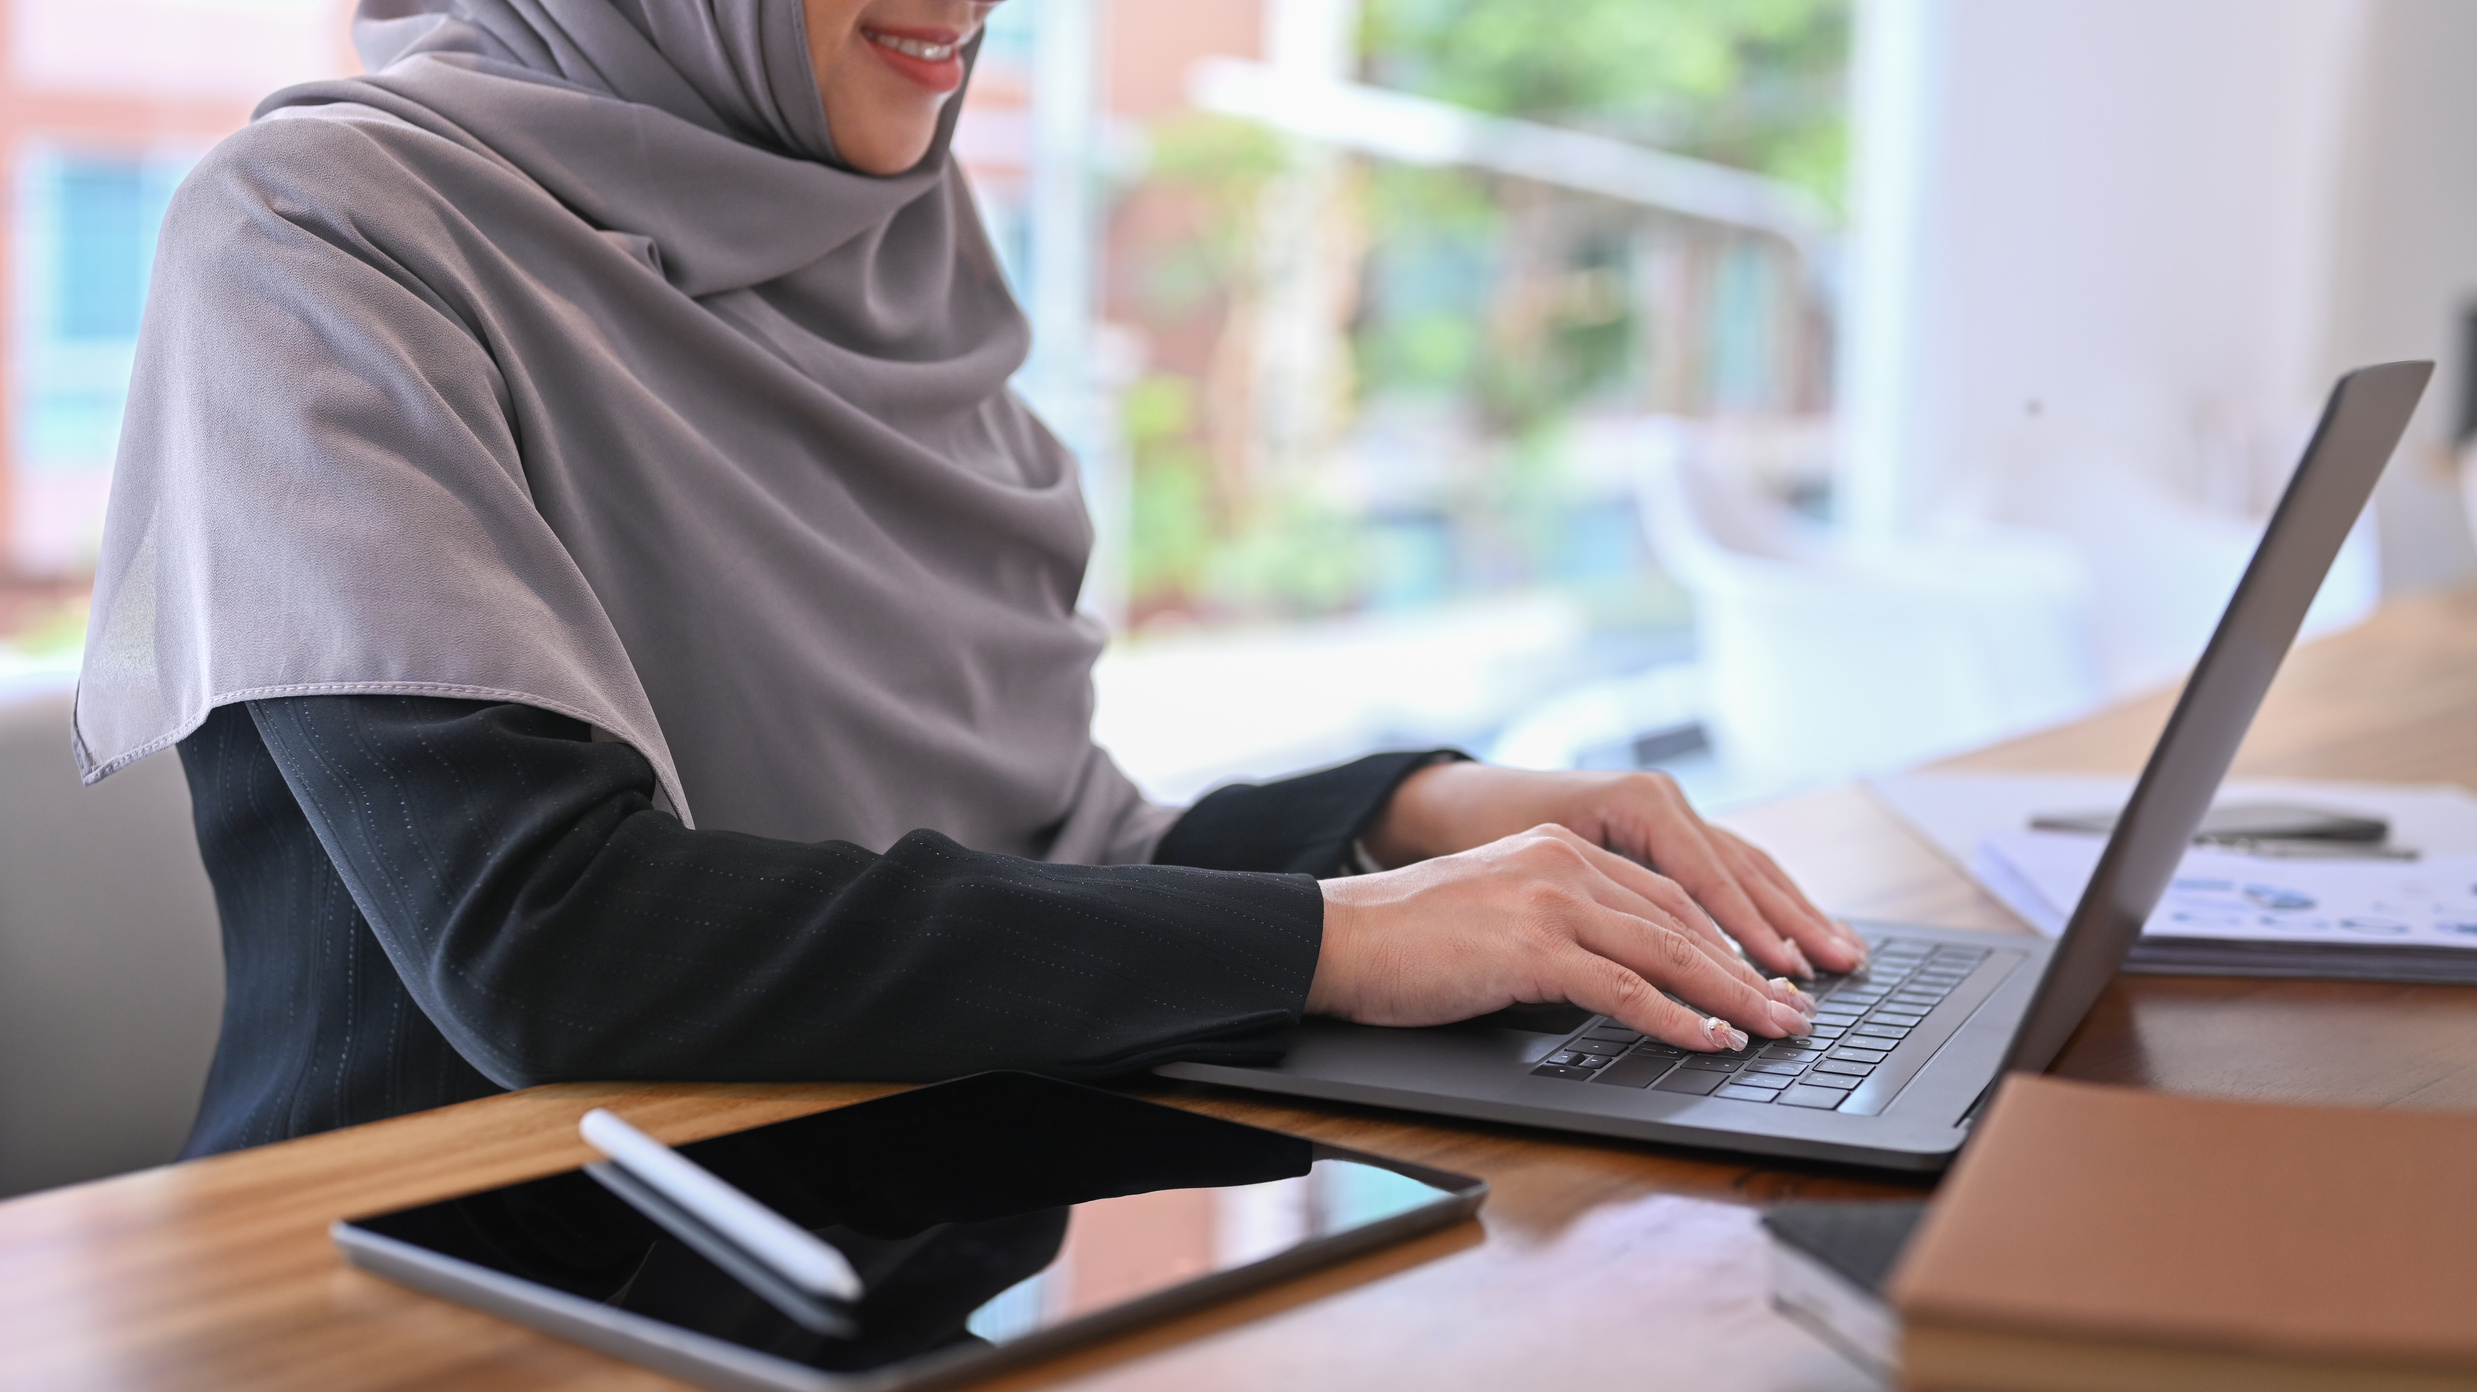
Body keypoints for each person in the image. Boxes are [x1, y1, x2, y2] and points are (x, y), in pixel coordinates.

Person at [75, 0, 1864, 1158]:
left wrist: (1418, 820)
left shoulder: (889, 239)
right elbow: (545, 939)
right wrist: (1338, 935)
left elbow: (1032, 862)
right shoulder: (317, 232)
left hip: (913, 1227)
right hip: (455, 1279)